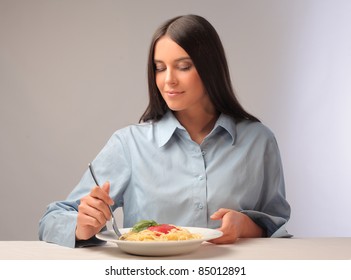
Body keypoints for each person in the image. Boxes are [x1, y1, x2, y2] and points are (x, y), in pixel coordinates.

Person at [39, 14, 291, 248]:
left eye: (183, 66)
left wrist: (246, 226)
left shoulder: (259, 141)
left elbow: (276, 226)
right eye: (160, 68)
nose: (168, 80)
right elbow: (50, 221)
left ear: (210, 68)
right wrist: (82, 226)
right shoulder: (129, 144)